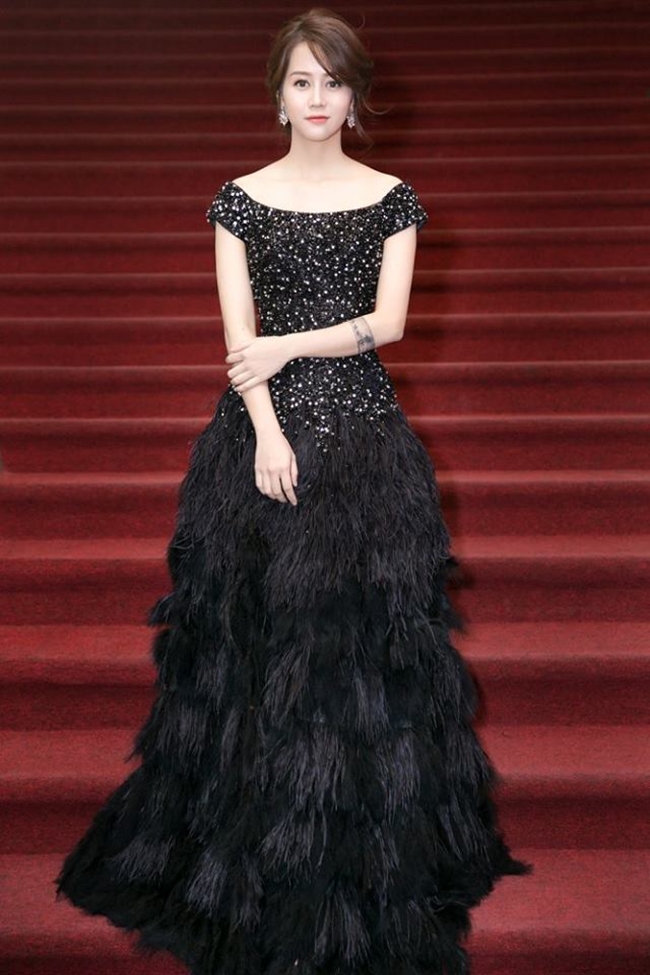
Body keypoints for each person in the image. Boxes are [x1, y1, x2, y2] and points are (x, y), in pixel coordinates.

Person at [56, 8, 531, 974]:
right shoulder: (239, 201)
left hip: (364, 449)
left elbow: (389, 324)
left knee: (356, 653)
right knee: (255, 651)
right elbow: (238, 343)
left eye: (335, 81)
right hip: (255, 446)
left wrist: (288, 346)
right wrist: (269, 431)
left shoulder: (392, 198)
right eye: (303, 81)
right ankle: (254, 855)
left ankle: (357, 853)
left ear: (356, 97)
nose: (319, 98)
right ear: (277, 93)